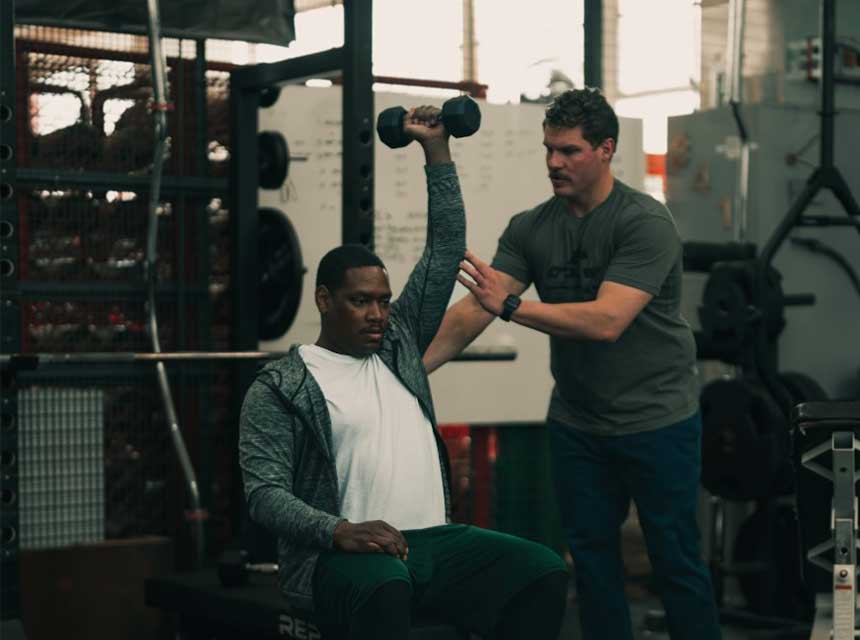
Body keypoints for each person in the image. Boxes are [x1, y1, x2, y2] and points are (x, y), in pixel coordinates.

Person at [239, 106, 568, 640]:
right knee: (386, 586)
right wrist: (339, 531)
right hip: (340, 557)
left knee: (542, 571)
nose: (376, 314)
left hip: (433, 542)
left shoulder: (398, 345)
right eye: (360, 301)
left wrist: (436, 151)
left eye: (384, 302)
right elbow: (264, 495)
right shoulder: (281, 386)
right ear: (325, 300)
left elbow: (443, 249)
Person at [423, 88, 721, 640]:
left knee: (675, 561)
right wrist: (409, 374)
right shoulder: (531, 227)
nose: (554, 163)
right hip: (579, 424)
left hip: (657, 420)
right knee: (591, 563)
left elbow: (608, 321)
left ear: (606, 150)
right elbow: (473, 312)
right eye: (549, 150)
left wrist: (511, 305)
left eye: (569, 151)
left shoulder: (644, 223)